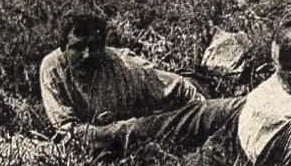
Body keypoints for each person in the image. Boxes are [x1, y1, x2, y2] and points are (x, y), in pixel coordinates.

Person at [72, 22, 291, 166]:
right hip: (241, 109)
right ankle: (96, 137)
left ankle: (108, 165)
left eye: (276, 67)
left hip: (244, 152)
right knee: (166, 124)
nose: (271, 71)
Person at [37, 13, 203, 137]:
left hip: (145, 121)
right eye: (78, 47)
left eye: (94, 46)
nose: (86, 55)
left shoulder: (124, 65)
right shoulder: (53, 68)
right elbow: (66, 128)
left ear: (103, 46)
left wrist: (204, 110)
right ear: (63, 46)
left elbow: (178, 86)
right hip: (107, 136)